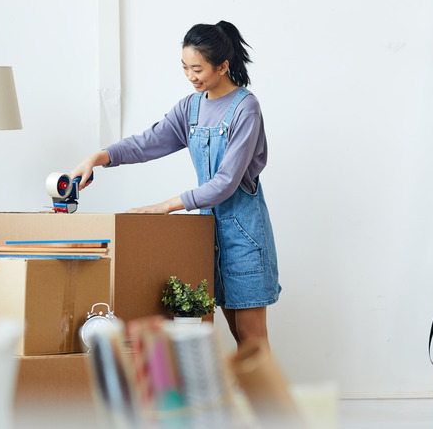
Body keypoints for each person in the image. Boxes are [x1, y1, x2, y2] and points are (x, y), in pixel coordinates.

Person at [70, 21, 280, 349]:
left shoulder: (245, 108)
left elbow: (225, 183)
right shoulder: (190, 108)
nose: (190, 76)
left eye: (198, 69)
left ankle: (267, 402)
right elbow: (148, 142)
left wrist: (164, 206)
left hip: (244, 235)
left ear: (223, 66)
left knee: (252, 340)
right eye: (185, 68)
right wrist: (98, 157)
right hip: (207, 235)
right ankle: (241, 399)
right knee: (235, 338)